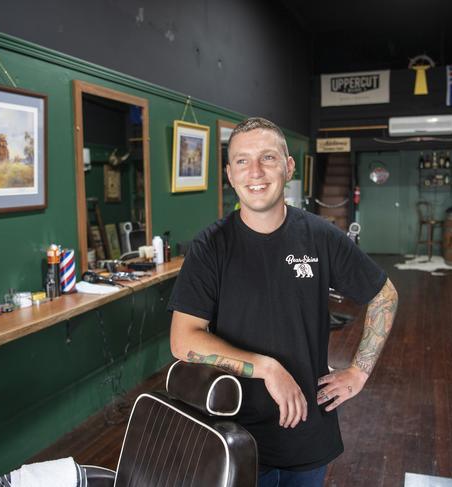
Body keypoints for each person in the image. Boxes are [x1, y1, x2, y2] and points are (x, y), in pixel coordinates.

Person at [168, 117, 398, 487]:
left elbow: (383, 293)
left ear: (289, 167)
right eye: (242, 161)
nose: (255, 171)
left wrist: (360, 371)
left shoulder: (321, 237)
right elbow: (183, 340)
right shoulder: (211, 247)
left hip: (306, 430)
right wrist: (267, 368)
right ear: (229, 174)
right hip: (231, 430)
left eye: (268, 158)